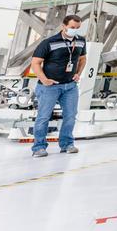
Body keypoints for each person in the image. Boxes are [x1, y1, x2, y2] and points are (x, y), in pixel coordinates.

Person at [29, 14, 87, 157]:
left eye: (77, 28)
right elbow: (35, 63)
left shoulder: (81, 41)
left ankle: (67, 144)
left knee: (70, 116)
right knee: (44, 117)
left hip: (70, 86)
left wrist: (78, 73)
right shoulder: (49, 42)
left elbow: (82, 59)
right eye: (72, 27)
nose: (75, 30)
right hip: (49, 87)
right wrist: (44, 80)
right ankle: (39, 147)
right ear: (64, 26)